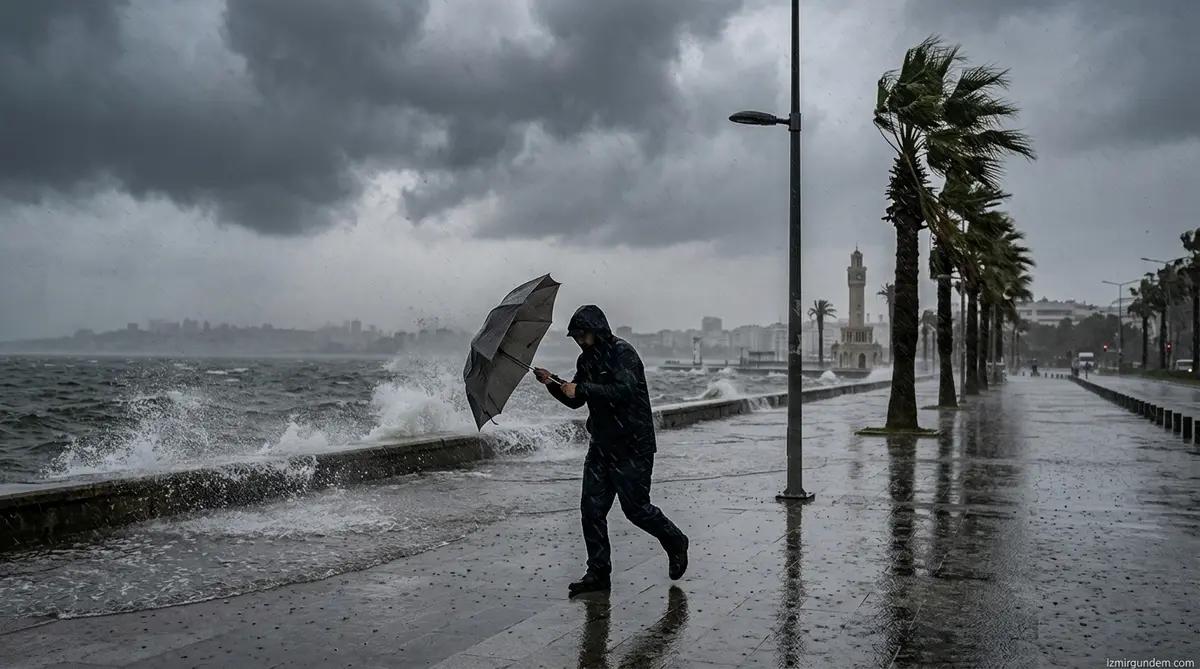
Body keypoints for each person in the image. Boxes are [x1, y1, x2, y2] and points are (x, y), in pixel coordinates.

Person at [533, 304, 689, 597]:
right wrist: (553, 384)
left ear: (597, 329)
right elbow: (575, 401)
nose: (580, 341)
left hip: (633, 445)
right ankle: (598, 572)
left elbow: (624, 390)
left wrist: (582, 389)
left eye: (583, 334)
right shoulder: (586, 360)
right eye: (576, 337)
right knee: (591, 510)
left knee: (636, 510)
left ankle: (675, 540)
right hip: (601, 447)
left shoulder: (623, 353)